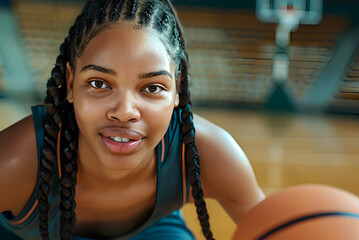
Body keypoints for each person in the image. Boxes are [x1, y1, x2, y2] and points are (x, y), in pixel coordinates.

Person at [0, 0, 265, 239]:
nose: (125, 111)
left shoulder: (208, 153)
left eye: (152, 88)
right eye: (98, 83)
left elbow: (278, 229)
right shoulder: (16, 162)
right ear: (70, 84)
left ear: (177, 89)